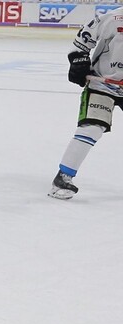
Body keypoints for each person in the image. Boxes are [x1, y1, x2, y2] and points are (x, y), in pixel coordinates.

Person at [49, 8, 123, 200]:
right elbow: (82, 41)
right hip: (102, 84)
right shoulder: (112, 18)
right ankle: (63, 178)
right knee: (92, 128)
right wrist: (79, 62)